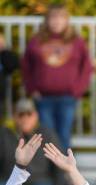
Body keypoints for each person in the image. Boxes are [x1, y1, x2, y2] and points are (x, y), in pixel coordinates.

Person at [20, 4, 92, 151]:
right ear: (47, 20)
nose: (57, 22)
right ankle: (49, 168)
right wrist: (32, 89)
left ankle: (63, 170)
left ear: (66, 21)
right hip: (43, 97)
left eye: (61, 18)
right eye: (53, 18)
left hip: (68, 96)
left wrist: (77, 89)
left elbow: (87, 67)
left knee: (64, 134)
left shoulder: (76, 41)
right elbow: (26, 66)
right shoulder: (36, 41)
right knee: (46, 134)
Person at [10, 99, 61, 185]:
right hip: (10, 181)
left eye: (29, 113)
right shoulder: (4, 134)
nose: (25, 118)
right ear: (15, 116)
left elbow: (58, 164)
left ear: (36, 115)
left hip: (38, 181)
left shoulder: (47, 134)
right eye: (21, 114)